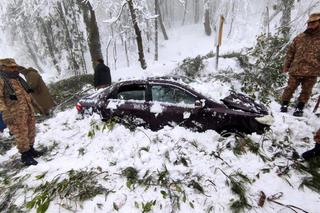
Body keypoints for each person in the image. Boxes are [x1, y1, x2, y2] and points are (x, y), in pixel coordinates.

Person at [0, 58, 42, 166]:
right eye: (11, 67)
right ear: (4, 68)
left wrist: (36, 105)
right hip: (14, 113)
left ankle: (31, 149)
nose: (15, 69)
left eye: (15, 66)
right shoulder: (2, 79)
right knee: (21, 134)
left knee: (31, 130)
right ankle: (25, 155)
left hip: (27, 109)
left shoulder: (17, 78)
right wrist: (5, 112)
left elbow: (26, 93)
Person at [280, 13, 320, 117]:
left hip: (312, 72)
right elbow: (290, 52)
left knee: (306, 92)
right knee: (289, 88)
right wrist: (286, 66)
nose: (310, 25)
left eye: (313, 23)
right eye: (309, 23)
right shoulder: (300, 37)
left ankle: (299, 108)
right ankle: (284, 105)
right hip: (296, 69)